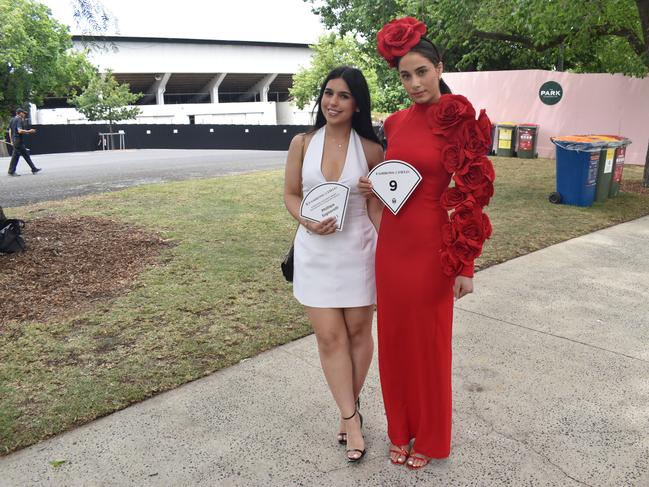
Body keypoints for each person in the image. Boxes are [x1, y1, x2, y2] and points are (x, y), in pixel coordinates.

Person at [359, 17, 494, 469]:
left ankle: (432, 438)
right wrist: (372, 190)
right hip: (393, 247)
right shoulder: (394, 122)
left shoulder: (462, 121)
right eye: (405, 75)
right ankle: (400, 431)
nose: (414, 83)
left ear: (439, 67)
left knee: (430, 346)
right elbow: (394, 185)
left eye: (422, 72)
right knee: (394, 343)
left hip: (436, 248)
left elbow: (473, 198)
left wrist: (466, 266)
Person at [284, 66, 384, 463]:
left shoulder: (372, 150)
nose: (333, 102)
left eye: (343, 95)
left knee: (359, 333)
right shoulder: (302, 143)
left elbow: (379, 210)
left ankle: (349, 407)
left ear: (357, 102)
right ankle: (351, 417)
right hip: (315, 252)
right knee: (329, 337)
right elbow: (292, 194)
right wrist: (304, 219)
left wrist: (375, 190)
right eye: (328, 93)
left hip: (359, 251)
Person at [7, 108, 41, 176]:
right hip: (18, 141)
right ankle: (11, 171)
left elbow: (10, 131)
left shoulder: (12, 119)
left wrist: (11, 140)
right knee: (15, 157)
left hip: (15, 141)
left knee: (25, 155)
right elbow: (19, 131)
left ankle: (33, 169)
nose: (24, 114)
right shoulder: (19, 119)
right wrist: (29, 131)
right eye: (23, 113)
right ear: (20, 113)